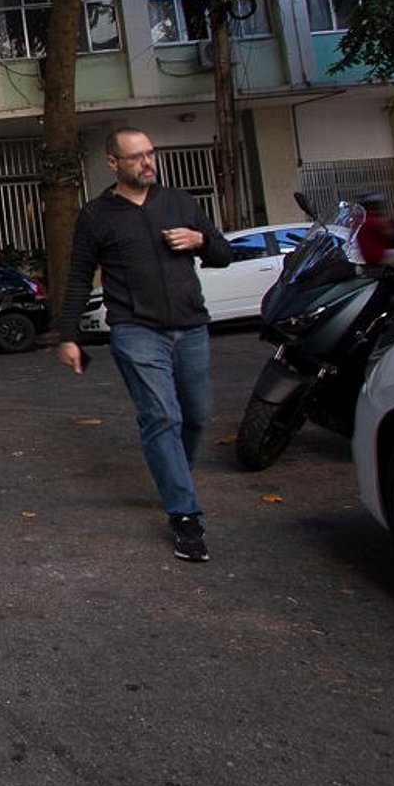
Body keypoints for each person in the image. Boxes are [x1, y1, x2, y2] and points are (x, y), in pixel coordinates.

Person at [56, 127, 233, 563]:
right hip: (136, 331)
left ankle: (175, 477)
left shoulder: (180, 202)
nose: (147, 162)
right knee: (162, 416)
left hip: (191, 327)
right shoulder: (96, 216)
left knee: (196, 415)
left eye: (150, 153)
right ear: (113, 163)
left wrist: (200, 241)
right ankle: (185, 515)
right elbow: (78, 277)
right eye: (136, 157)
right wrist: (68, 335)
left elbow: (224, 253)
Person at [353, 191, 394, 267]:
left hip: (362, 257)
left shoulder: (359, 220)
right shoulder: (372, 220)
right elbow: (390, 234)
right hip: (376, 256)